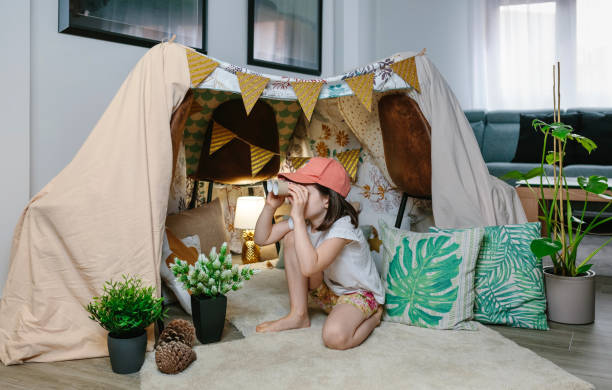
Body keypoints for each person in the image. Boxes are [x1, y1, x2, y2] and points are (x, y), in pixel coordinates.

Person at [253, 157, 385, 350]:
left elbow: (309, 267)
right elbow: (262, 238)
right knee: (291, 239)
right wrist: (270, 207)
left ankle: (374, 317)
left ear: (326, 200)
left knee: (334, 337)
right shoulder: (306, 221)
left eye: (304, 190)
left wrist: (297, 217)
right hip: (328, 292)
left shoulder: (343, 228)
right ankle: (298, 315)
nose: (297, 196)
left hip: (358, 294)